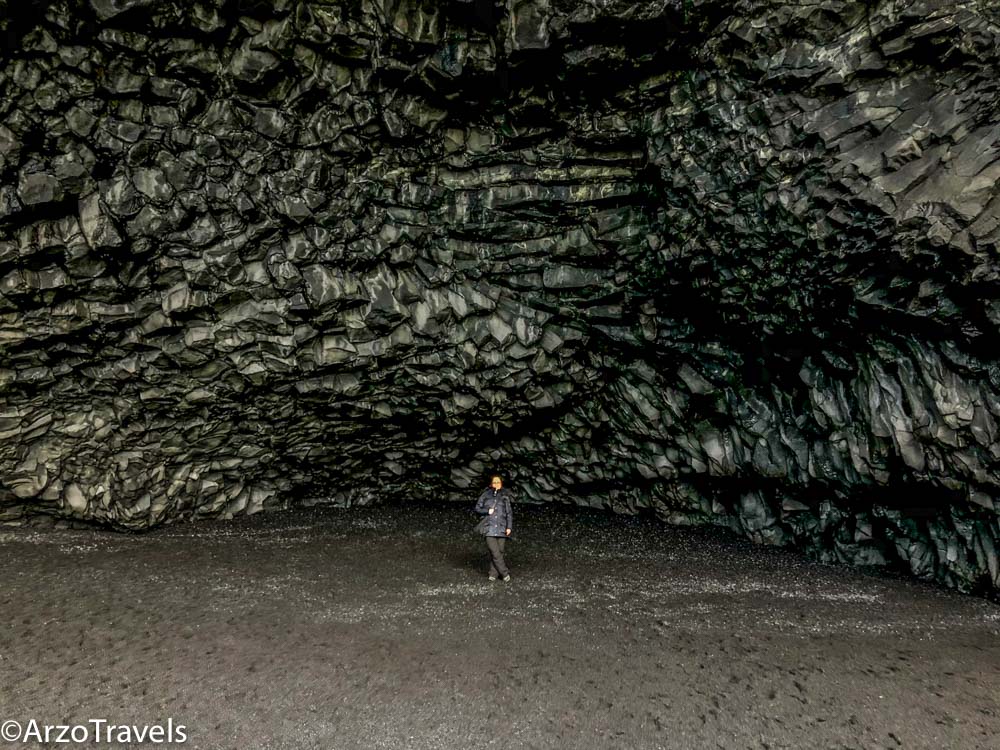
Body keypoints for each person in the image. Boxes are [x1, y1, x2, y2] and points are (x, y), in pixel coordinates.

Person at [474, 474, 513, 582]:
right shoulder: (486, 495)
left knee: (499, 551)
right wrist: (487, 511)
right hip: (489, 528)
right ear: (491, 484)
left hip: (501, 528)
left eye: (498, 482)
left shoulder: (505, 496)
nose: (496, 484)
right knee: (494, 551)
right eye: (494, 482)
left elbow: (509, 513)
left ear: (501, 484)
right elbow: (477, 508)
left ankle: (493, 573)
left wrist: (509, 527)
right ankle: (505, 573)